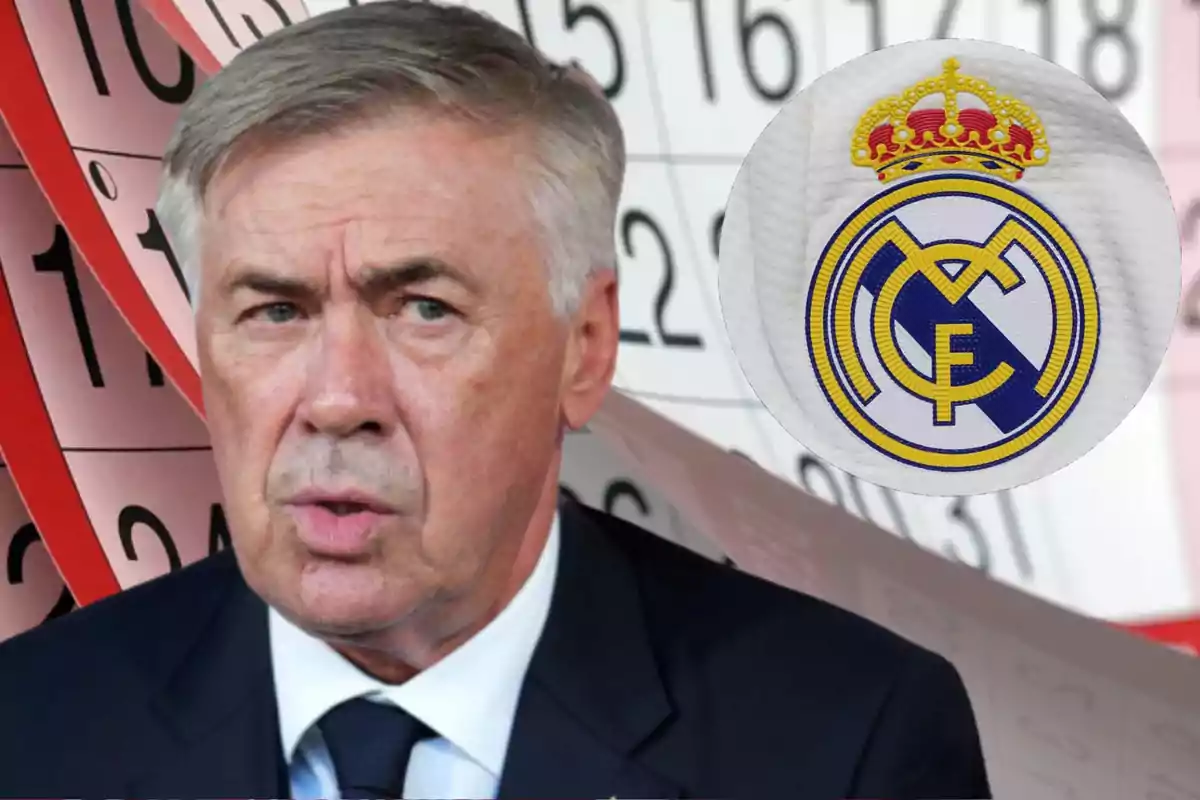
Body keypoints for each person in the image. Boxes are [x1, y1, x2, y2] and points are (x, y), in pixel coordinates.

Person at [0, 2, 991, 798]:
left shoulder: (850, 742)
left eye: (424, 307)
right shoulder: (32, 724)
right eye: (273, 310)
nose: (338, 399)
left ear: (585, 346)